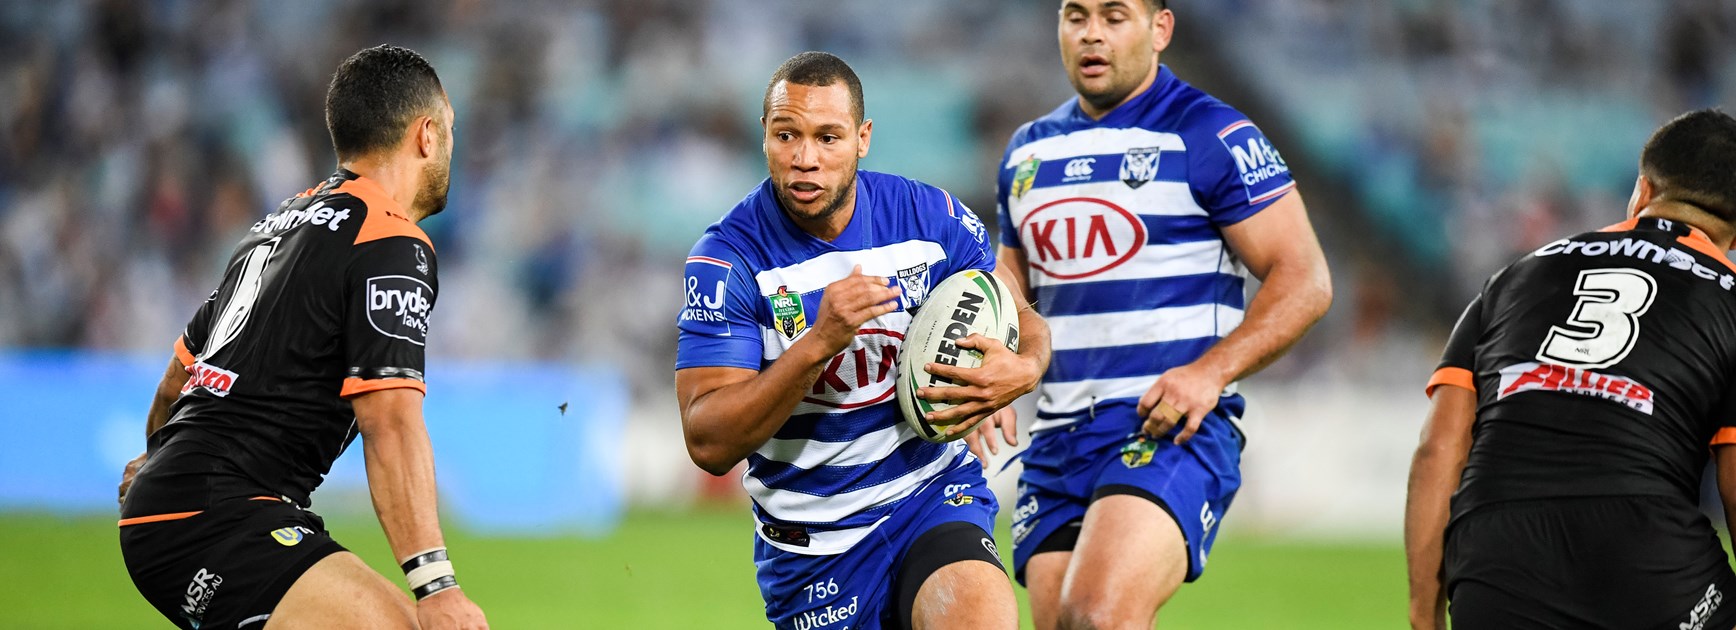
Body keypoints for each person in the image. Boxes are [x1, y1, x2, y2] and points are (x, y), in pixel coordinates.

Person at [980, 1, 1333, 628]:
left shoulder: (1211, 134)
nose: (1092, 33)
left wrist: (1210, 372)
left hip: (1164, 428)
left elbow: (1305, 279)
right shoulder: (1027, 152)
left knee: (1097, 616)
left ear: (1160, 29)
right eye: (1075, 15)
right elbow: (1013, 290)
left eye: (1115, 16)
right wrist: (996, 365)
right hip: (1057, 440)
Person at [674, 51, 1052, 630]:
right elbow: (708, 441)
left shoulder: (930, 218)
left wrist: (1023, 370)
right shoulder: (727, 260)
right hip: (813, 548)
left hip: (928, 495)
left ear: (863, 138)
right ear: (765, 136)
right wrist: (817, 342)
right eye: (787, 136)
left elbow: (1022, 315)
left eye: (828, 138)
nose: (805, 160)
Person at [116, 45, 487, 630]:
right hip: (224, 510)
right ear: (425, 134)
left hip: (188, 506)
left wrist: (161, 461)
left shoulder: (274, 227)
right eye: (450, 129)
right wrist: (436, 585)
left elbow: (176, 380)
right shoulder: (389, 239)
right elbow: (388, 418)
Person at [1407, 109, 1736, 629]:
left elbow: (1438, 447)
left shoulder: (1517, 275)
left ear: (1642, 191)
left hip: (1496, 552)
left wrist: (1423, 612)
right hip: (1644, 552)